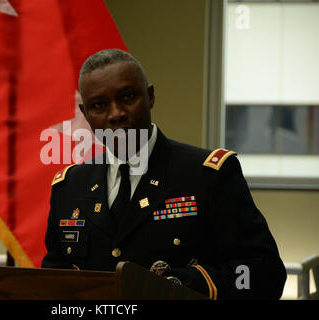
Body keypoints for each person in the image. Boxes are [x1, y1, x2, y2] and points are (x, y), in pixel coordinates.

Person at [41, 49, 287, 299]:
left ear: (150, 97)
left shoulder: (207, 176)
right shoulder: (70, 187)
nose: (116, 114)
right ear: (85, 115)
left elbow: (263, 273)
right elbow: (54, 282)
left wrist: (175, 286)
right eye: (99, 105)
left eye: (127, 97)